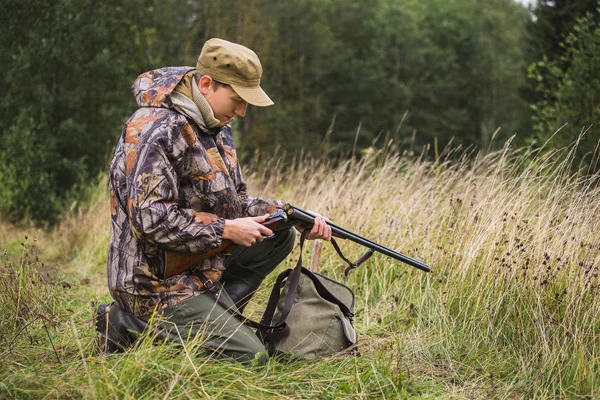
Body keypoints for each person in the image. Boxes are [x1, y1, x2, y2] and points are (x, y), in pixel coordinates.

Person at [96, 38, 331, 363]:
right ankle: (128, 322)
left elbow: (237, 204)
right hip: (151, 282)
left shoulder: (215, 126)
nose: (241, 111)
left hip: (198, 264)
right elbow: (152, 220)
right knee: (253, 358)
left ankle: (216, 316)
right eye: (237, 99)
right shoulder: (154, 131)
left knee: (279, 233)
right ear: (206, 84)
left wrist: (293, 215)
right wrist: (226, 230)